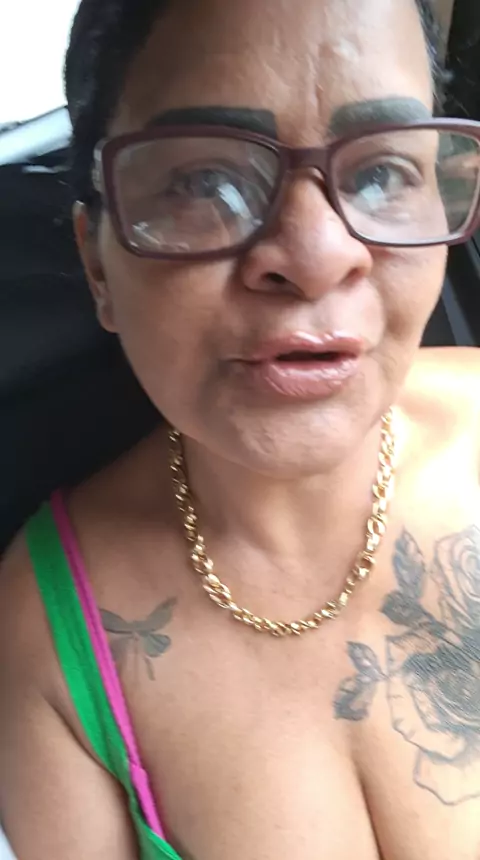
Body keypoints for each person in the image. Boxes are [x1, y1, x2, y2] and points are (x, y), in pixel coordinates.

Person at [1, 0, 480, 857]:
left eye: (382, 173)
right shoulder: (44, 638)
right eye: (204, 183)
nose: (317, 256)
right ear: (97, 263)